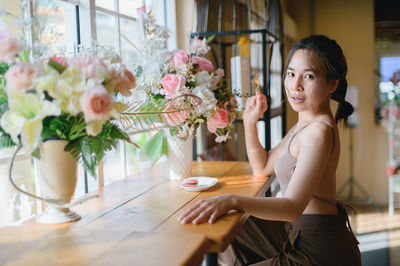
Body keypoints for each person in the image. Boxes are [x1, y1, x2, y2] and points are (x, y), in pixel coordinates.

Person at [178, 35, 361, 265]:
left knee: (229, 224)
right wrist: (249, 122)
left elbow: (293, 206)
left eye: (309, 76)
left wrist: (234, 200)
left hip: (317, 251)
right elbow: (262, 167)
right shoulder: (305, 125)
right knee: (227, 230)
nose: (295, 85)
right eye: (291, 74)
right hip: (298, 232)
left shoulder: (318, 133)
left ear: (332, 84)